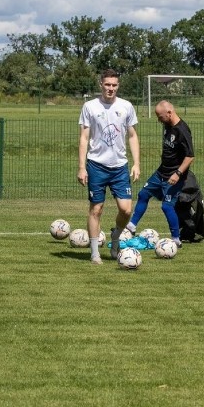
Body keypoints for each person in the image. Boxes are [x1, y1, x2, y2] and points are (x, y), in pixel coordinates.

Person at [78, 69, 140, 264]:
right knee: (96, 209)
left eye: (114, 85)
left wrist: (137, 163)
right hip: (96, 165)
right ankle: (95, 253)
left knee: (126, 210)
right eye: (107, 84)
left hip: (120, 166)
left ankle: (116, 236)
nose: (110, 88)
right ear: (101, 85)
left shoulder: (126, 106)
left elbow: (132, 136)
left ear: (118, 86)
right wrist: (82, 167)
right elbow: (84, 138)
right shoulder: (90, 107)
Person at [125, 100, 195, 248]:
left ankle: (176, 239)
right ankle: (131, 226)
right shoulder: (167, 125)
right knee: (143, 194)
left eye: (160, 116)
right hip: (161, 172)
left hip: (174, 176)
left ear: (169, 113)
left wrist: (177, 173)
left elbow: (190, 156)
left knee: (167, 206)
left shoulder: (182, 130)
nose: (158, 120)